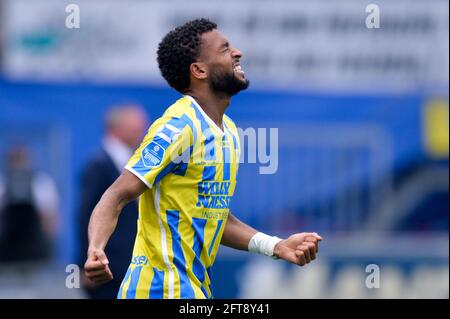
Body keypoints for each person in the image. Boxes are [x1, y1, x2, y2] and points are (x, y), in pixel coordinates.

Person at [84, 18, 323, 299]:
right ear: (198, 70)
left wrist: (275, 246)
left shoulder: (229, 132)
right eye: (224, 49)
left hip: (192, 287)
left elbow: (214, 216)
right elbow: (116, 195)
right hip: (160, 288)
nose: (237, 52)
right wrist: (96, 249)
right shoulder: (177, 127)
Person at [77, 105, 149, 299]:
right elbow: (84, 215)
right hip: (107, 268)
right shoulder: (98, 164)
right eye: (136, 128)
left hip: (128, 266)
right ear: (118, 128)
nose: (142, 134)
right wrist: (86, 261)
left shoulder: (131, 161)